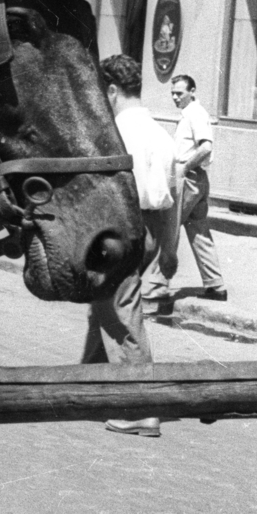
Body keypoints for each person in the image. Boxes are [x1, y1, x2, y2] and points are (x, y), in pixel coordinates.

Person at [83, 53, 177, 375]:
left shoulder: (112, 135)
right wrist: (170, 250)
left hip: (117, 232)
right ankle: (90, 382)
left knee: (120, 314)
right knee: (105, 309)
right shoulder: (162, 135)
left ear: (110, 91)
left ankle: (138, 408)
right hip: (149, 231)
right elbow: (172, 199)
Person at [166, 73, 226, 300]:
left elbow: (206, 147)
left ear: (192, 92)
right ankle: (215, 285)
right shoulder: (189, 114)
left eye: (179, 93)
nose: (175, 97)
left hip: (188, 178)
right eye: (172, 93)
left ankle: (156, 288)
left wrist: (183, 169)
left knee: (168, 230)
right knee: (198, 230)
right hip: (196, 178)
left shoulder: (195, 114)